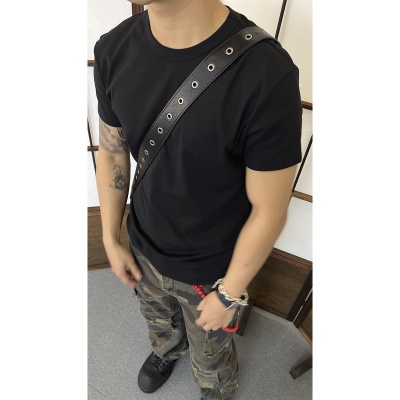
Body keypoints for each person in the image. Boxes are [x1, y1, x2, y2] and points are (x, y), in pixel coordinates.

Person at [93, 0, 302, 398]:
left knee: (211, 350)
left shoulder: (265, 73)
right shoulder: (113, 49)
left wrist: (230, 292)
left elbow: (270, 210)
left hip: (211, 268)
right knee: (158, 319)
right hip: (143, 241)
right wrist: (110, 237)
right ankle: (167, 350)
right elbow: (113, 152)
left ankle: (216, 386)